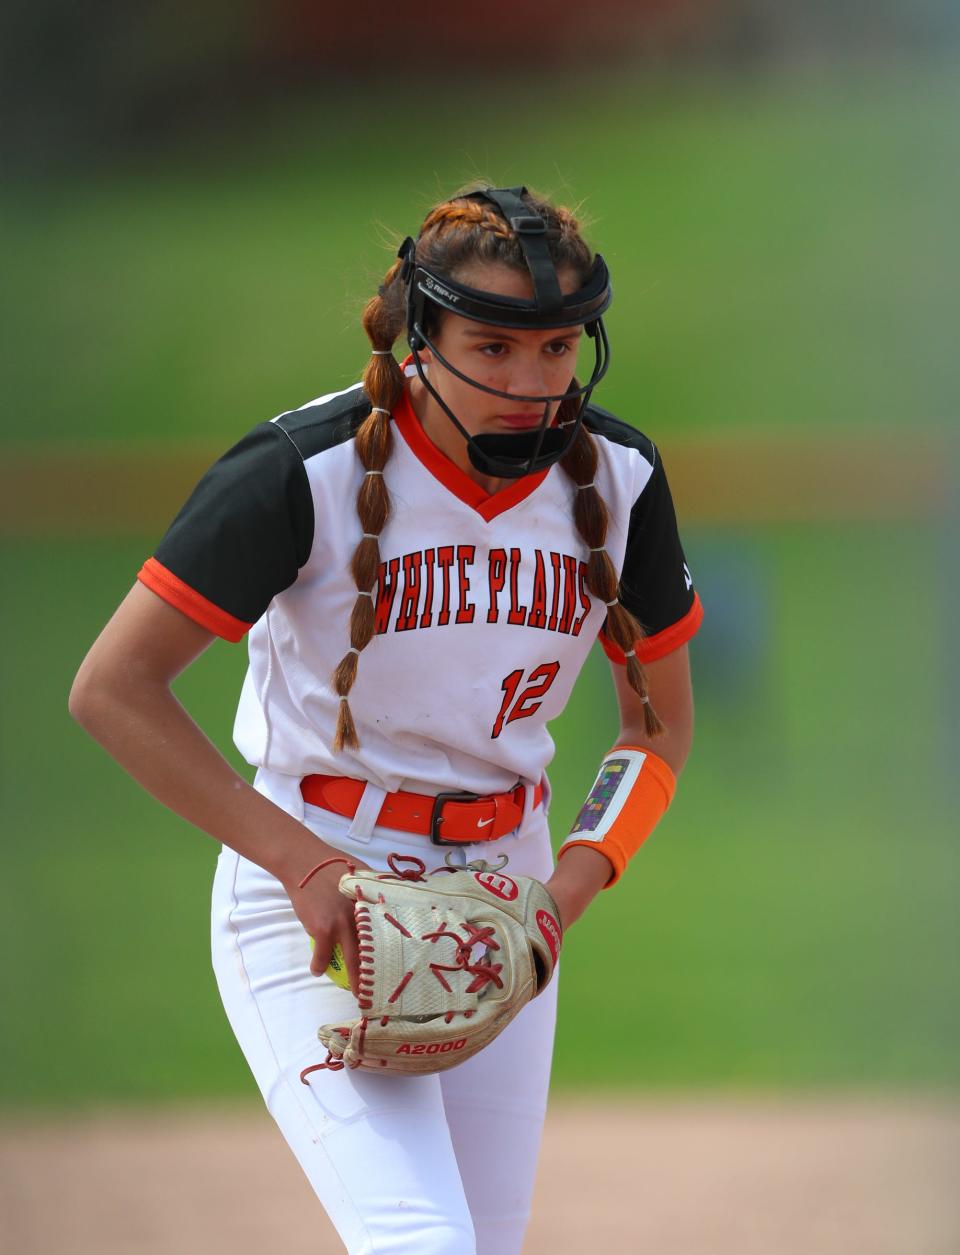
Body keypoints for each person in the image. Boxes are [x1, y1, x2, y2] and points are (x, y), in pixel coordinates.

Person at [70, 185, 703, 1254]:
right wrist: (304, 866)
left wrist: (559, 900)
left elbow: (656, 732)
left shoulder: (618, 476)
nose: (530, 382)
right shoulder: (303, 471)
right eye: (492, 347)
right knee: (420, 1240)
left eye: (556, 349)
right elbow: (113, 688)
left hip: (507, 893)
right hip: (319, 882)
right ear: (422, 334)